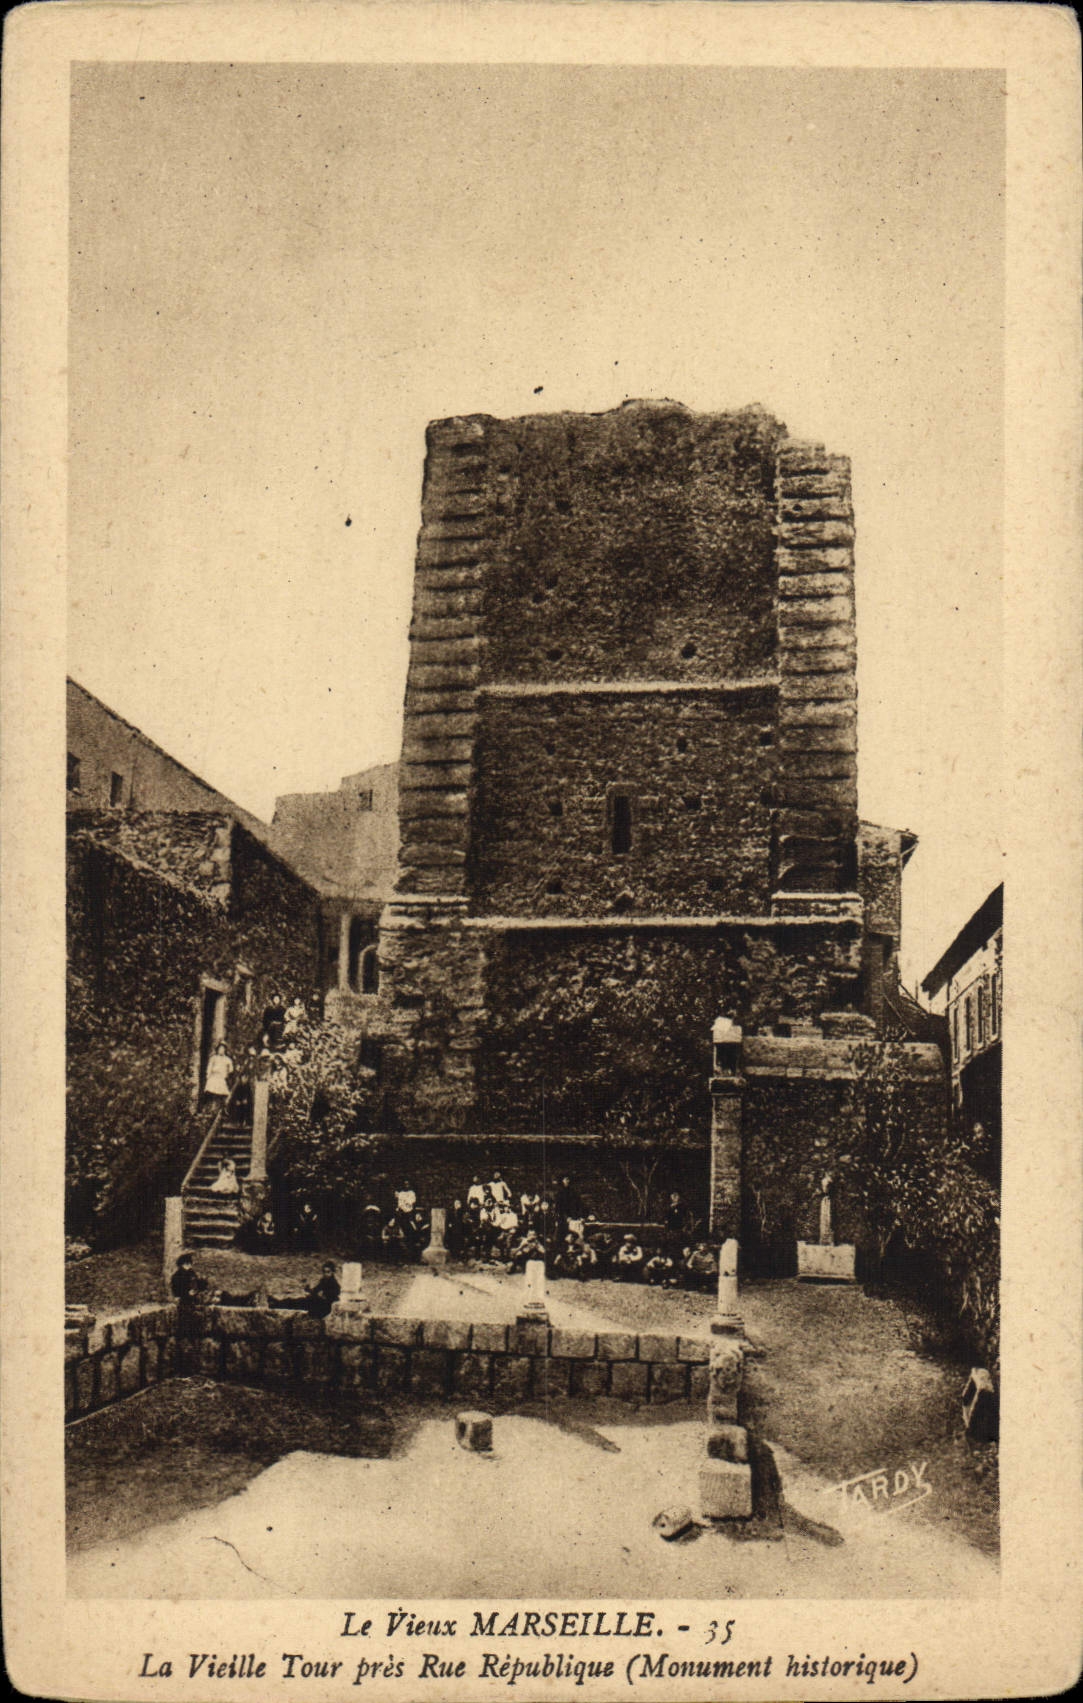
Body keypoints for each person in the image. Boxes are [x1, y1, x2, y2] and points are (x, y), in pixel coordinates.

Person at [204, 1039, 233, 1105]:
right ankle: (210, 1107)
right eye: (220, 1049)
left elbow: (231, 1069)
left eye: (223, 1049)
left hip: (221, 1078)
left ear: (225, 1050)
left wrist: (227, 1074)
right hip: (214, 1077)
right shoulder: (214, 1058)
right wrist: (208, 1076)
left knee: (222, 1094)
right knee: (211, 1092)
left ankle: (220, 1108)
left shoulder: (227, 1059)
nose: (221, 1050)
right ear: (217, 1049)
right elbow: (209, 1068)